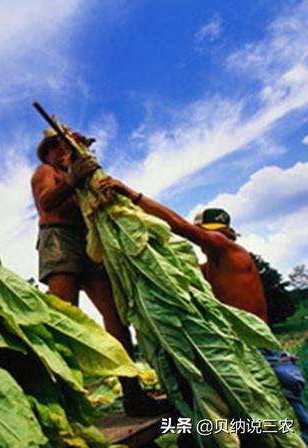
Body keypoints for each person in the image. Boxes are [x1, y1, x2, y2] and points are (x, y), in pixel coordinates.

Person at [99, 176, 308, 443]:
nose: (215, 237)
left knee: (287, 434)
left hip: (263, 361)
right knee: (251, 435)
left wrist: (130, 195)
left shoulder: (231, 252)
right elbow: (167, 279)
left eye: (218, 231)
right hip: (237, 364)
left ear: (229, 233)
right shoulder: (204, 272)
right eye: (209, 231)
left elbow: (178, 226)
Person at [31, 128, 170, 417]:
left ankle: (133, 394)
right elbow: (46, 202)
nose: (62, 151)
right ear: (47, 152)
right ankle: (62, 403)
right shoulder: (46, 171)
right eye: (55, 146)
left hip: (89, 242)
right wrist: (72, 177)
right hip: (59, 241)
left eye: (66, 145)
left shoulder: (82, 175)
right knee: (64, 318)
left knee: (116, 316)